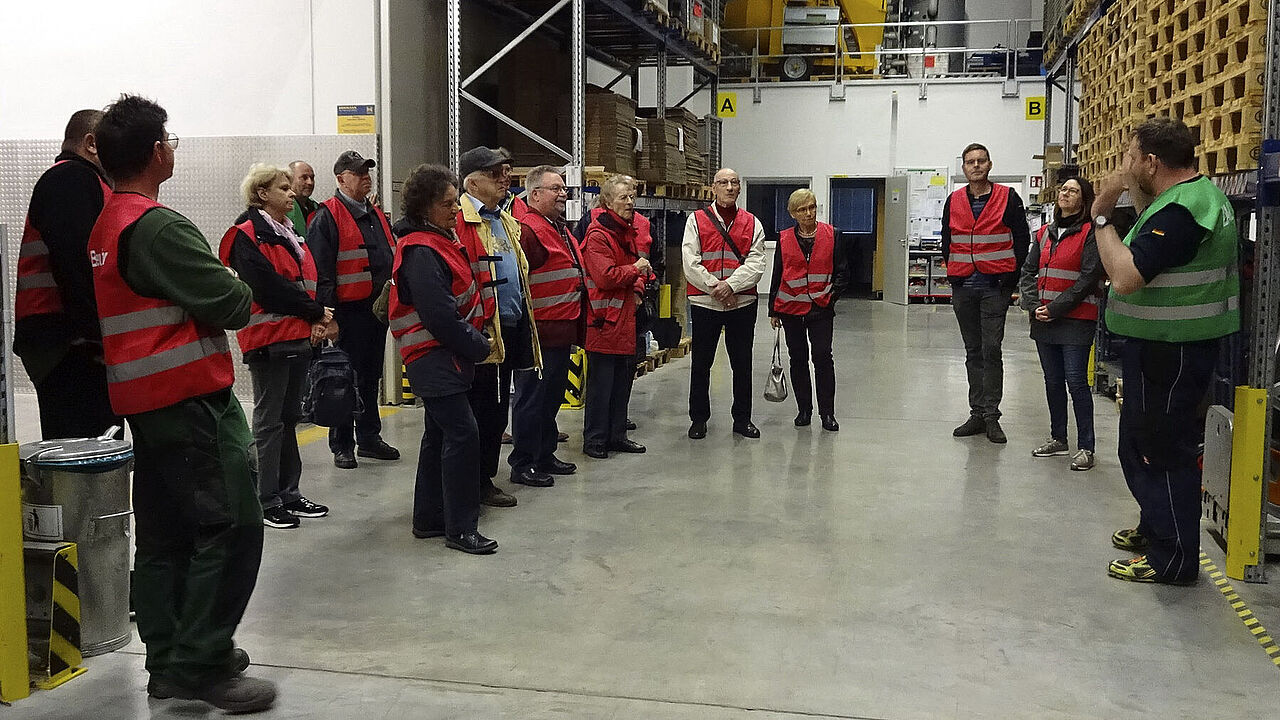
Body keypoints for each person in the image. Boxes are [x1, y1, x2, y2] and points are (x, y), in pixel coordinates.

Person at [89, 94, 274, 712]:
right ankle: (204, 663)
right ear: (154, 152)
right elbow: (232, 303)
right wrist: (238, 288)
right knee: (232, 527)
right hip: (191, 401)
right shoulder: (158, 226)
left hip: (147, 404)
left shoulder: (108, 222)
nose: (172, 146)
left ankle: (169, 660)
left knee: (168, 535)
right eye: (168, 138)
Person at [1093, 118, 1240, 585]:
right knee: (1142, 442)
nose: (1126, 164)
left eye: (1131, 156)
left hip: (1172, 352)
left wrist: (1101, 216)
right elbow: (1148, 236)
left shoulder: (1184, 210)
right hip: (1165, 348)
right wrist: (1127, 189)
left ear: (1152, 162)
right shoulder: (1182, 200)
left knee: (1160, 450)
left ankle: (1173, 558)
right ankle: (1156, 526)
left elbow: (1127, 276)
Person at [390, 164, 498, 554]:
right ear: (424, 208)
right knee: (463, 434)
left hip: (444, 357)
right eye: (447, 204)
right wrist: (477, 344)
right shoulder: (421, 249)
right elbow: (438, 317)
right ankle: (461, 527)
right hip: (435, 358)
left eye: (455, 201)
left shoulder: (438, 240)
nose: (455, 210)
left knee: (438, 435)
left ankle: (430, 517)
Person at [220, 164, 335, 529]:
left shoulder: (288, 233)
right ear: (261, 194)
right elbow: (266, 286)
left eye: (290, 187)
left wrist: (313, 319)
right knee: (269, 421)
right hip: (268, 340)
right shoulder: (246, 235)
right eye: (282, 187)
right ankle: (265, 499)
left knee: (289, 418)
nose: (290, 193)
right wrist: (315, 311)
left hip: (296, 335)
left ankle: (289, 492)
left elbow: (302, 280)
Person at [13, 109, 121, 440]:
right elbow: (77, 265)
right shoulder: (70, 179)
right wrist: (98, 338)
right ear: (91, 144)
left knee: (90, 453)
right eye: (112, 145)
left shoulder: (80, 181)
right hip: (67, 344)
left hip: (66, 342)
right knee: (84, 460)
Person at [456, 146, 542, 505]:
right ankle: (474, 483)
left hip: (509, 326)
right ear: (473, 182)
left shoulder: (502, 219)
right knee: (480, 412)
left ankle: (484, 478)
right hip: (480, 332)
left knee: (494, 411)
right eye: (495, 174)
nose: (505, 178)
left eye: (506, 171)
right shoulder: (462, 221)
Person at [306, 150, 400, 469]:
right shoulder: (326, 216)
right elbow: (322, 272)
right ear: (340, 178)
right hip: (347, 313)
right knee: (343, 377)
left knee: (370, 375)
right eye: (358, 172)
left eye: (367, 172)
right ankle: (342, 444)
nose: (365, 176)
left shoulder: (374, 213)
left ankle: (370, 438)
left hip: (375, 312)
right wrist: (327, 317)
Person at [943, 143, 1032, 444]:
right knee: (973, 352)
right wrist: (954, 275)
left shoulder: (1008, 197)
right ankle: (977, 413)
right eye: (970, 162)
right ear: (964, 167)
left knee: (991, 350)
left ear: (990, 165)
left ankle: (992, 416)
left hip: (995, 287)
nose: (976, 166)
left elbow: (1022, 240)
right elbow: (947, 239)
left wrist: (1010, 279)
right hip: (964, 287)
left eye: (981, 161)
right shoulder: (953, 200)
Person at [1018, 177, 1103, 471]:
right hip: (1044, 320)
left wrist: (1055, 308)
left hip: (1076, 320)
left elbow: (1089, 277)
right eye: (1063, 190)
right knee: (1052, 381)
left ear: (1084, 199)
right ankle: (1058, 439)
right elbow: (1028, 271)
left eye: (1073, 191)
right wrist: (1033, 305)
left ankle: (1087, 447)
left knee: (1076, 381)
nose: (1065, 194)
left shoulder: (1090, 233)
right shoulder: (1043, 234)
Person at [509, 165, 585, 482]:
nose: (563, 194)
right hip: (539, 330)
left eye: (564, 188)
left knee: (551, 397)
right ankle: (522, 463)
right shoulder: (528, 229)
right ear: (535, 193)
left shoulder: (556, 226)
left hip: (560, 328)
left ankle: (544, 454)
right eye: (556, 188)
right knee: (532, 399)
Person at [682, 167, 767, 440]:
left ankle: (742, 419)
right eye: (723, 183)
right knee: (701, 364)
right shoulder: (695, 221)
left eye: (733, 183)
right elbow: (690, 261)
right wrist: (716, 288)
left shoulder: (753, 223)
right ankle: (698, 420)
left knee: (742, 364)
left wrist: (730, 285)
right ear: (713, 188)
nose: (729, 188)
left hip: (742, 303)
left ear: (740, 188)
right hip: (705, 303)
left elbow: (757, 264)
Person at [767, 188, 849, 432]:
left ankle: (827, 413)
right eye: (802, 209)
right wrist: (774, 309)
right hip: (791, 309)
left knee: (823, 358)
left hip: (821, 308)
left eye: (812, 207)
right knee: (798, 359)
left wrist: (831, 298)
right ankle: (804, 410)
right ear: (793, 213)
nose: (809, 213)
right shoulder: (784, 238)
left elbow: (842, 272)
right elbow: (778, 273)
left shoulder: (833, 235)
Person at [581, 175, 651, 458]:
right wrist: (635, 269)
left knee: (623, 381)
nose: (630, 203)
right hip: (604, 321)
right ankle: (595, 440)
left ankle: (617, 434)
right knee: (601, 385)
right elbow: (606, 276)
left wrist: (637, 287)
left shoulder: (628, 232)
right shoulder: (598, 235)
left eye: (631, 197)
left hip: (626, 318)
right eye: (623, 198)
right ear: (607, 202)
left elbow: (643, 270)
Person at [284, 160, 319, 237]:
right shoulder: (282, 209)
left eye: (312, 178)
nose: (310, 182)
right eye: (304, 177)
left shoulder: (317, 207)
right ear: (289, 180)